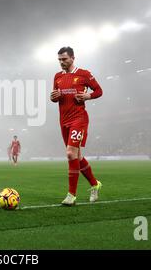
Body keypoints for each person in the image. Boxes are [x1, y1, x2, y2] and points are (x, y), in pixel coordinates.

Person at [50, 46, 103, 206]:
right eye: (59, 59)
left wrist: (88, 95)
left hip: (79, 119)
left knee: (69, 154)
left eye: (64, 59)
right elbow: (55, 97)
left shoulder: (84, 74)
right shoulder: (57, 76)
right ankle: (95, 184)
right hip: (63, 120)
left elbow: (99, 91)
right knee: (77, 156)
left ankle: (71, 195)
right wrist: (53, 97)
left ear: (73, 58)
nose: (61, 62)